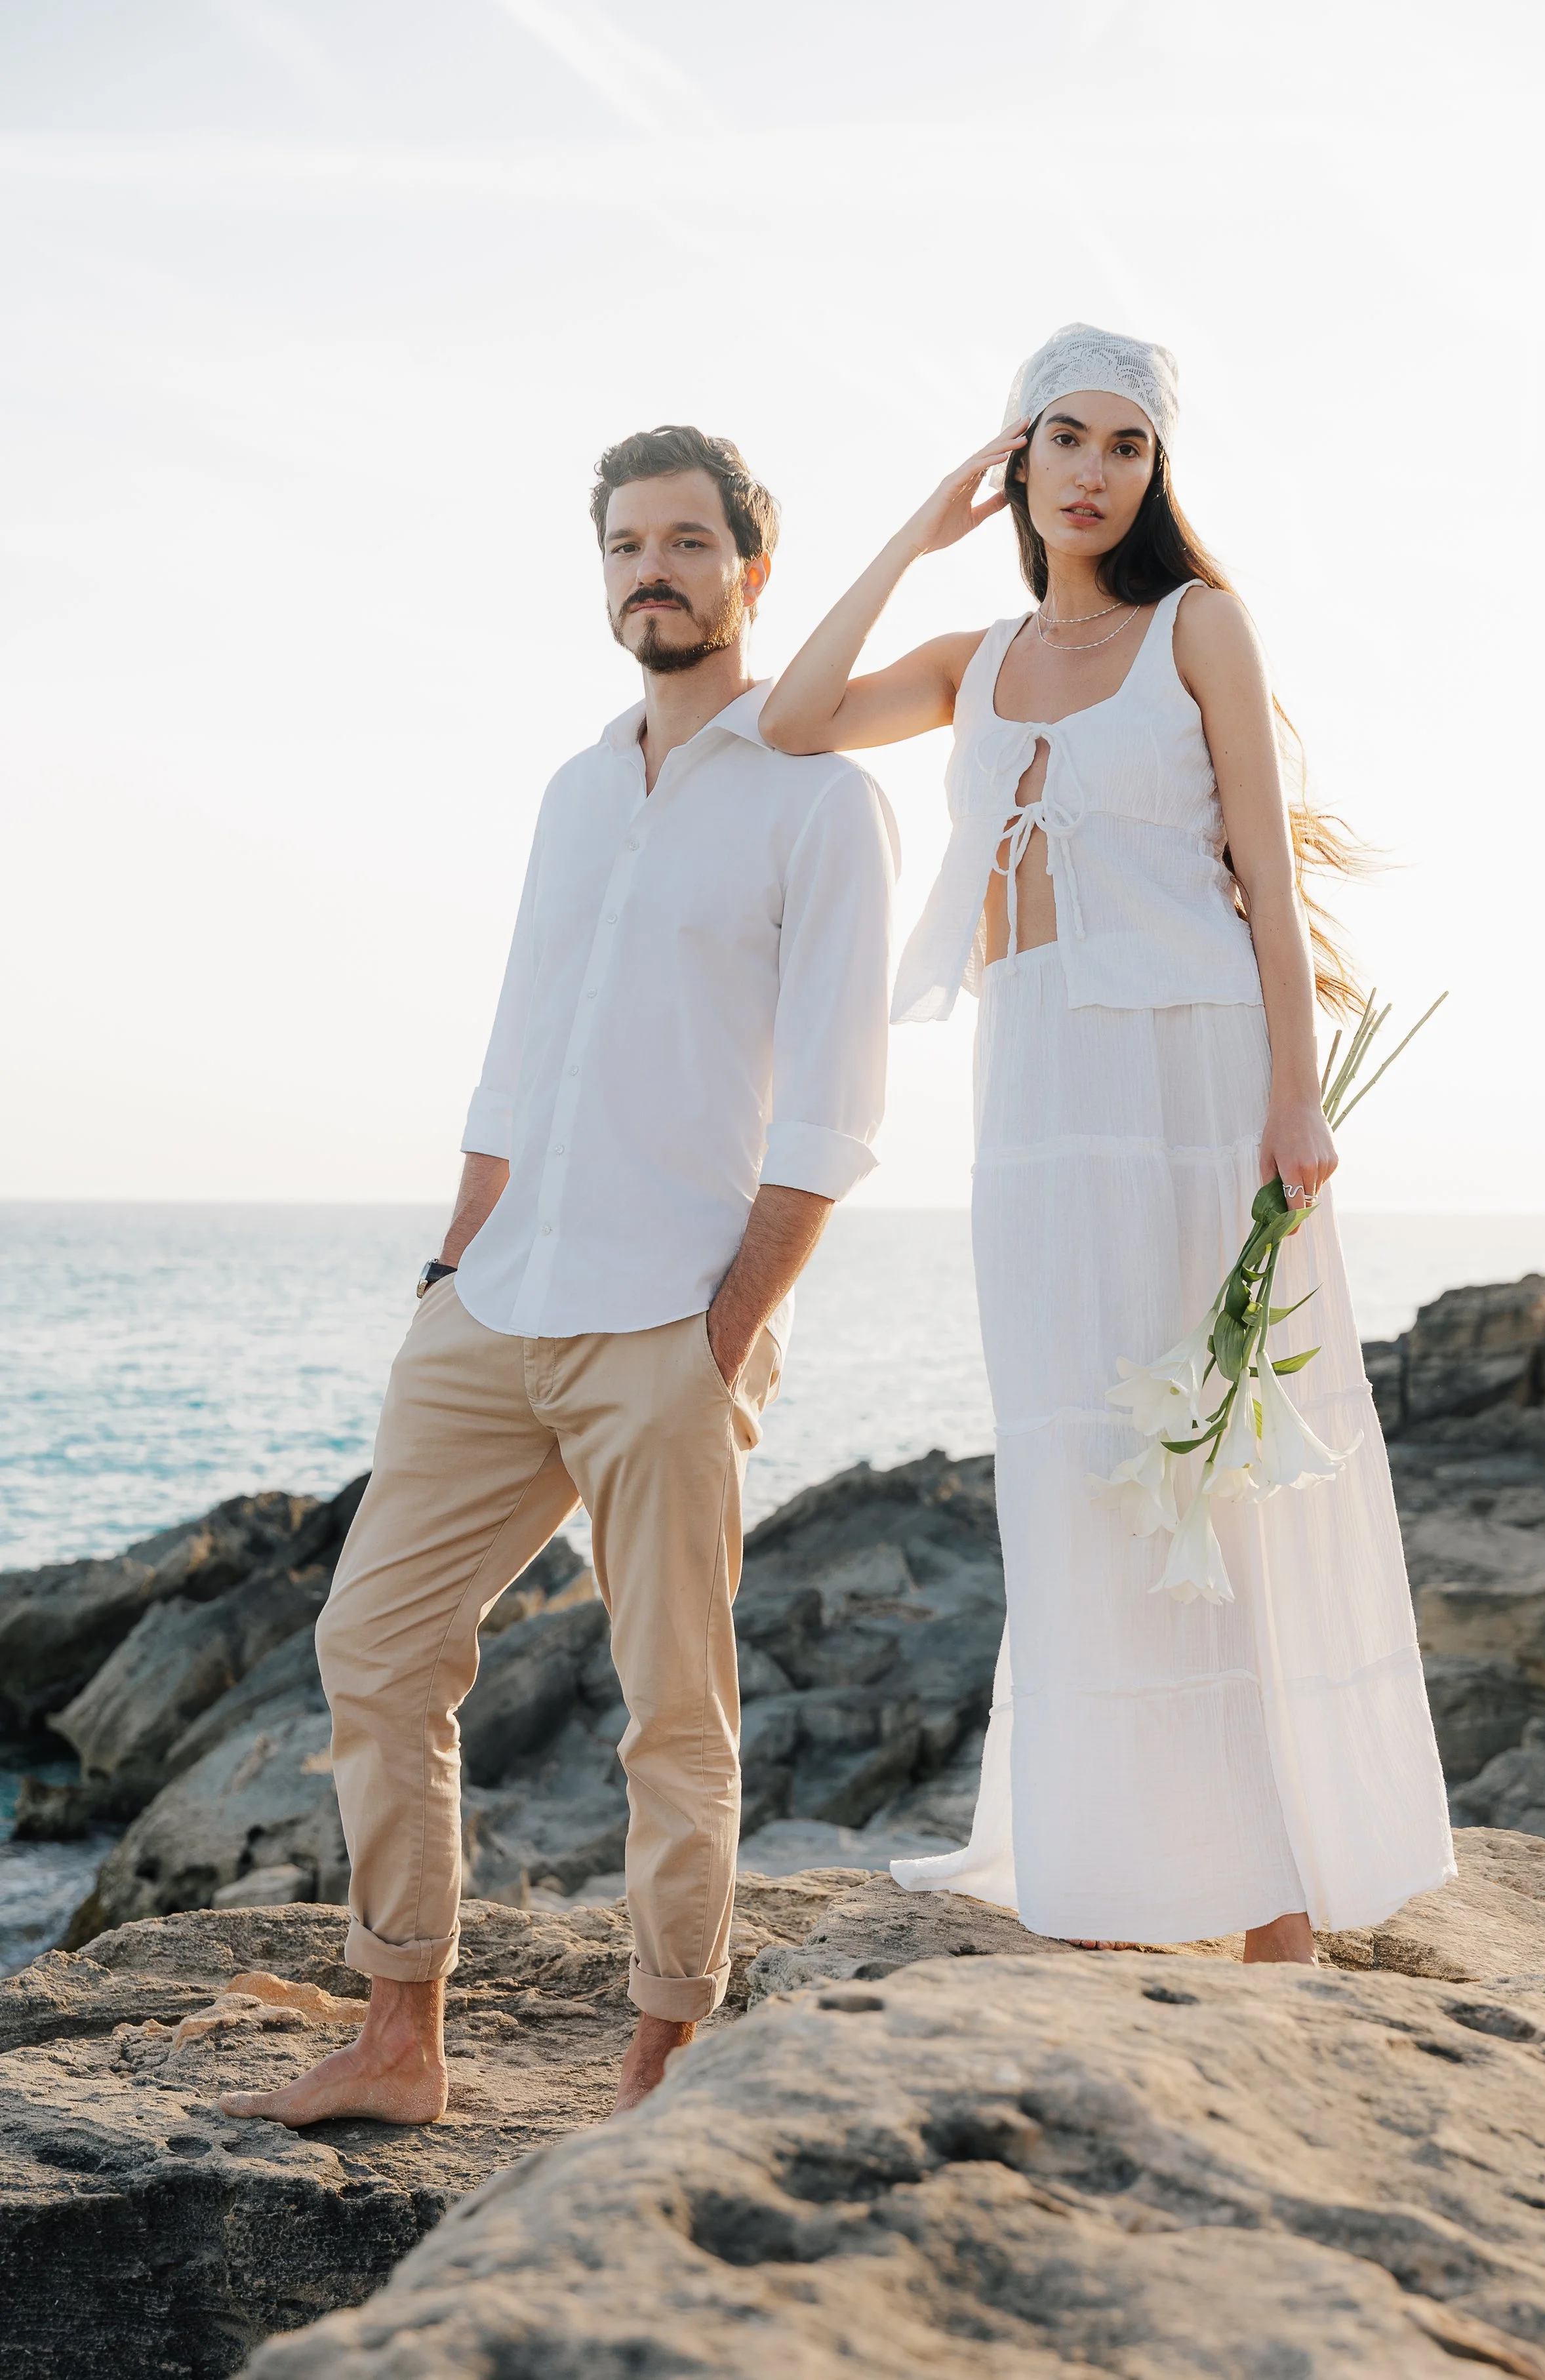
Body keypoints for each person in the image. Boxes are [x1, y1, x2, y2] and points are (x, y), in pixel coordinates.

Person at [221, 424, 898, 2127]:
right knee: (373, 1645)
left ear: (754, 568)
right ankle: (399, 2036)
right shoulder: (573, 789)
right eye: (625, 546)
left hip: (664, 1318)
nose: (652, 570)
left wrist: (721, 1330)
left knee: (672, 1704)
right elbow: (513, 1067)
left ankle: (664, 2050)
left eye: (686, 541)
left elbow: (834, 1111)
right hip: (495, 1300)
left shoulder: (823, 797)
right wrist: (447, 1268)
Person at [761, 323, 1453, 1962]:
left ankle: (1273, 1882)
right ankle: (1127, 1858)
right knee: (1079, 1449)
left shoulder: (1197, 626)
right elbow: (790, 720)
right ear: (1014, 458)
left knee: (1226, 1453)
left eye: (1122, 444)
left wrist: (1297, 1096)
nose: (1090, 470)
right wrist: (910, 536)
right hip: (1039, 1082)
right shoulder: (968, 657)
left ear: (1155, 470)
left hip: (1202, 1074)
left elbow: (1269, 892)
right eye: (1059, 437)